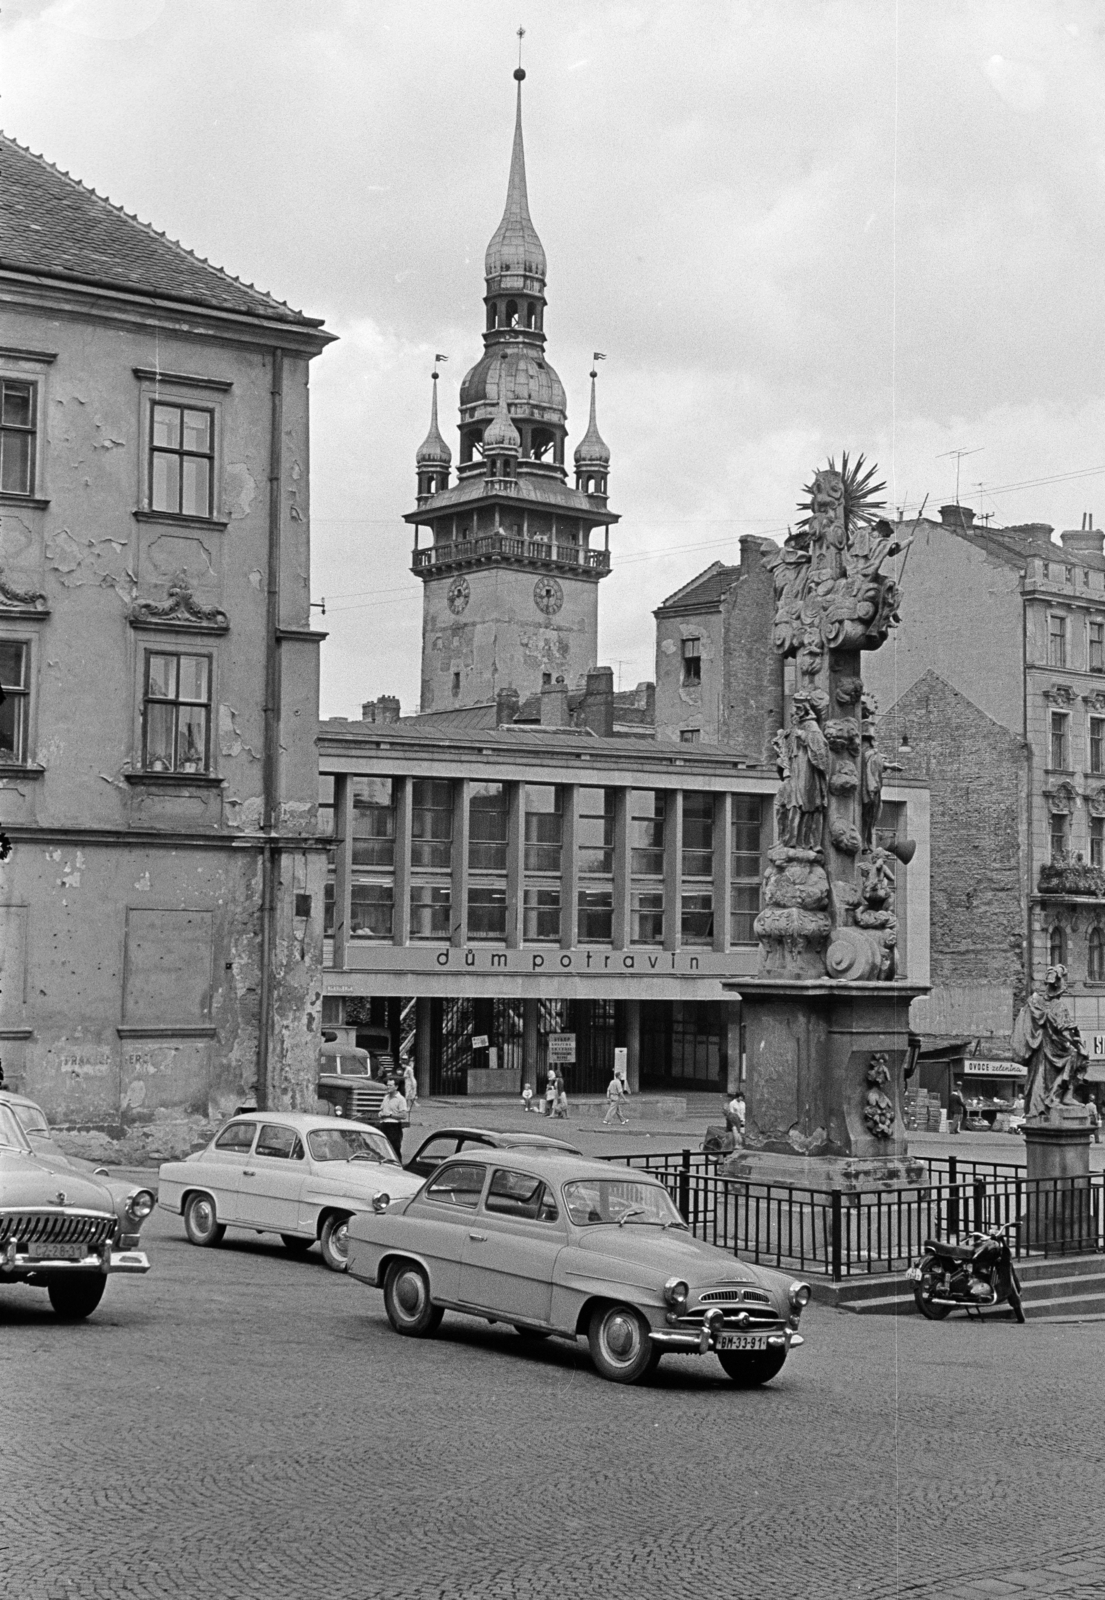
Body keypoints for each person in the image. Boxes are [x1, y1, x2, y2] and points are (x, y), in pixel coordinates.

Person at [378, 1077, 408, 1159]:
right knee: (383, 1148)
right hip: (383, 1125)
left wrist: (390, 1115)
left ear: (396, 1087)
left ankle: (398, 1166)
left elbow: (404, 1115)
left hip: (393, 1127)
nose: (388, 1087)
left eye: (390, 1085)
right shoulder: (386, 1097)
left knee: (394, 1148)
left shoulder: (400, 1099)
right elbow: (382, 1110)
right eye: (387, 1085)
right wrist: (381, 1113)